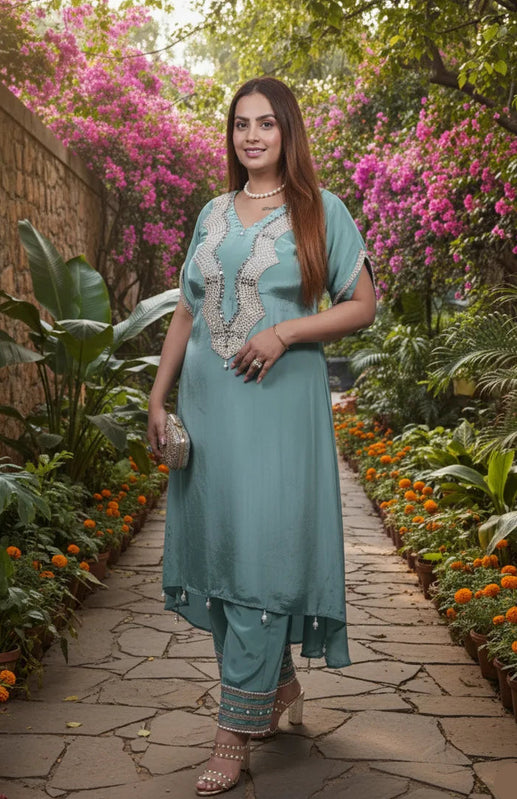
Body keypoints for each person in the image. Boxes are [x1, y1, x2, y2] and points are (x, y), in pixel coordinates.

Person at [147, 76, 376, 796]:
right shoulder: (211, 212)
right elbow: (186, 312)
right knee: (221, 560)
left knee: (261, 559)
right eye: (241, 124)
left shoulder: (320, 210)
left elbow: (361, 305)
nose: (251, 135)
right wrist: (156, 397)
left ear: (287, 133)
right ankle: (274, 684)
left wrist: (284, 330)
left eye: (265, 124)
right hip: (210, 417)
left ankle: (231, 730)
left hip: (278, 417)